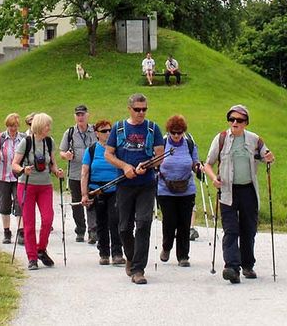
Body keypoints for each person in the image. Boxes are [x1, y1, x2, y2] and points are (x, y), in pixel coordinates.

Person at [203, 104, 276, 284]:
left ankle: (248, 265)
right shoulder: (221, 138)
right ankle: (232, 268)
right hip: (227, 190)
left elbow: (267, 157)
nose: (235, 123)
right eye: (232, 119)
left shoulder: (255, 140)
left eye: (239, 120)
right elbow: (208, 164)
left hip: (248, 190)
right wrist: (213, 178)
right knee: (230, 229)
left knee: (248, 230)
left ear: (246, 123)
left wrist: (269, 158)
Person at [104, 92, 165, 285]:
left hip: (146, 184)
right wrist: (125, 167)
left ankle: (138, 269)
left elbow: (160, 156)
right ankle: (130, 256)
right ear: (129, 109)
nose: (141, 113)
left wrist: (147, 165)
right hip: (124, 184)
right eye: (137, 109)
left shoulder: (153, 128)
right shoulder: (118, 128)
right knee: (124, 228)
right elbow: (108, 154)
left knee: (144, 223)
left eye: (144, 109)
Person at [11, 112, 65, 270]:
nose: (49, 127)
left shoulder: (49, 142)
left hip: (45, 186)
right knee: (29, 223)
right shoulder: (26, 142)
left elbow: (52, 164)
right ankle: (32, 257)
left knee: (48, 219)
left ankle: (41, 249)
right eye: (47, 125)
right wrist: (23, 169)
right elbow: (14, 164)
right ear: (40, 126)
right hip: (26, 185)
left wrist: (57, 172)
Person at [156, 114, 199, 267]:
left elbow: (195, 162)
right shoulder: (162, 143)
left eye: (179, 132)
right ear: (168, 131)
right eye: (173, 132)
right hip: (165, 189)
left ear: (183, 132)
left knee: (184, 223)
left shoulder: (189, 144)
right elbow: (155, 162)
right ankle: (166, 247)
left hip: (186, 189)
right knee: (170, 221)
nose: (176, 135)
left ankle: (183, 256)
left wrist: (198, 167)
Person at [81, 119, 125, 266]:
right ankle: (104, 253)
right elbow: (85, 172)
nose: (108, 133)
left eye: (110, 131)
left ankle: (117, 253)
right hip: (97, 190)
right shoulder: (91, 150)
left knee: (115, 220)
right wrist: (84, 194)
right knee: (101, 222)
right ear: (97, 134)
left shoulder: (117, 149)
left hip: (115, 189)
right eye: (104, 131)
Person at [60, 104, 97, 244]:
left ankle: (93, 230)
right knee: (77, 202)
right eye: (78, 115)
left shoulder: (95, 131)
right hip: (75, 173)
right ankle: (80, 229)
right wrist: (66, 155)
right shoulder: (70, 132)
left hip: (93, 172)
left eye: (82, 114)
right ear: (75, 116)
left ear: (88, 115)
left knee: (91, 200)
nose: (80, 117)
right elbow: (62, 152)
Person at [0, 113, 23, 244]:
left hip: (18, 177)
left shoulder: (23, 139)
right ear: (7, 125)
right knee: (4, 205)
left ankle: (21, 232)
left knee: (19, 203)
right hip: (2, 176)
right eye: (10, 126)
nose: (13, 129)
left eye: (15, 126)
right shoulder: (0, 138)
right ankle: (7, 232)